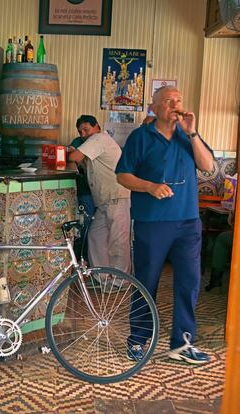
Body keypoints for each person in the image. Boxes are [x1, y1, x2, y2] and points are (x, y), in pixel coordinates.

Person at [115, 86, 214, 364]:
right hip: (152, 223)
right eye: (168, 100)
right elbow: (123, 175)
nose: (175, 104)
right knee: (147, 282)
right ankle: (138, 339)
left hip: (188, 222)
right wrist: (149, 186)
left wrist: (192, 132)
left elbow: (207, 166)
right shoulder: (140, 137)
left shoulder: (187, 136)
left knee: (189, 282)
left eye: (179, 100)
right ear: (154, 107)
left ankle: (182, 344)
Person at [68, 115, 131, 274]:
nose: (83, 134)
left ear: (97, 127)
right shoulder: (94, 142)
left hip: (116, 196)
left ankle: (120, 282)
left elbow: (73, 157)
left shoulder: (99, 138)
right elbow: (84, 164)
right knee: (96, 237)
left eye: (86, 129)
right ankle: (101, 278)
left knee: (118, 242)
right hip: (105, 200)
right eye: (80, 131)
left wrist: (72, 150)